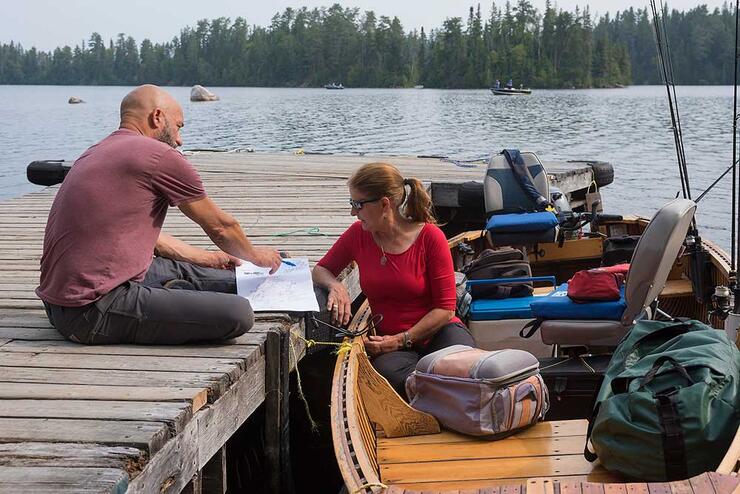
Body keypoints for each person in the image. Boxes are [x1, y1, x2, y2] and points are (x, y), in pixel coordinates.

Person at [36, 84, 283, 345]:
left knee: (219, 274)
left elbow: (133, 234)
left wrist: (206, 257)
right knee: (238, 313)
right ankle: (170, 300)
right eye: (178, 127)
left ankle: (177, 293)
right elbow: (221, 227)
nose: (179, 140)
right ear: (157, 117)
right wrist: (256, 255)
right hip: (92, 310)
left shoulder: (96, 151)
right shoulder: (159, 156)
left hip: (58, 305)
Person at [312, 162, 475, 399]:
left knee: (458, 367)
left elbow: (445, 309)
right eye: (352, 204)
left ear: (384, 204)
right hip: (390, 343)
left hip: (439, 333)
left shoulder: (430, 237)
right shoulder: (357, 235)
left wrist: (401, 340)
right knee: (387, 376)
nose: (352, 213)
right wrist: (335, 285)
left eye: (358, 205)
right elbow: (321, 269)